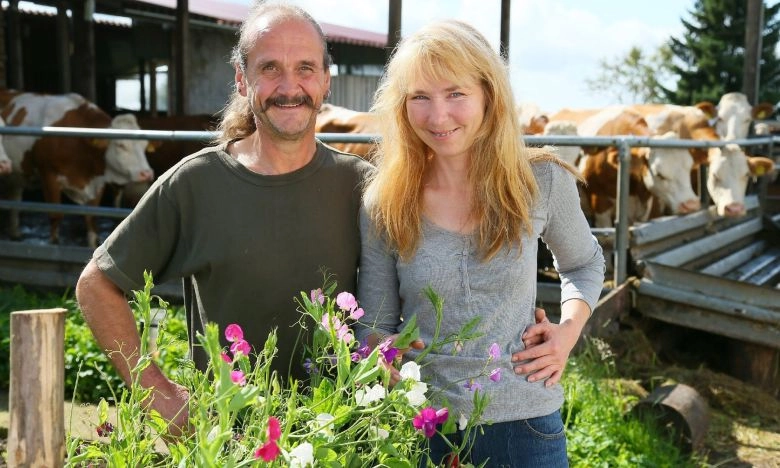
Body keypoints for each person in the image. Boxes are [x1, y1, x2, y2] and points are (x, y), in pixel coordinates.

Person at [75, 2, 372, 435]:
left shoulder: (363, 185)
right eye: (270, 68)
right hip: (225, 440)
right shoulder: (196, 184)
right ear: (241, 79)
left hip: (341, 440)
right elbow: (97, 285)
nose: (290, 86)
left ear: (326, 79)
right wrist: (156, 392)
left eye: (305, 68)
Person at [355, 20, 605, 467]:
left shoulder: (541, 181)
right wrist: (380, 354)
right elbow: (375, 323)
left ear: (489, 95)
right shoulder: (385, 199)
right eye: (419, 97)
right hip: (420, 428)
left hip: (524, 427)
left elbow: (584, 264)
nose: (438, 116)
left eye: (456, 94)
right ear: (401, 106)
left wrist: (567, 333)